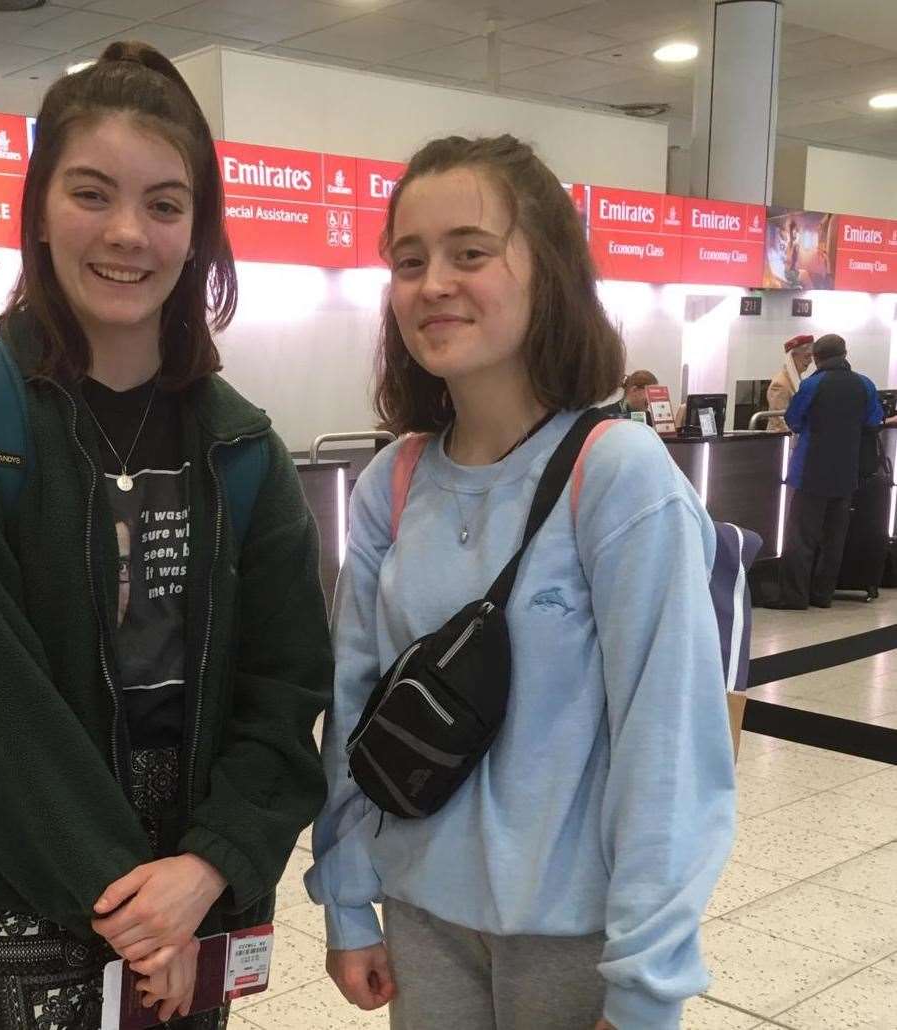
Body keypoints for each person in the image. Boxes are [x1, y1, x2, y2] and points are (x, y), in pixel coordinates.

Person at [0, 41, 332, 1030]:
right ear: (40, 210)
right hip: (26, 880)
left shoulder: (240, 443)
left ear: (197, 233)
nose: (127, 233)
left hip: (197, 878)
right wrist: (133, 903)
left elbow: (287, 685)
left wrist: (208, 866)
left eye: (164, 205)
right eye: (91, 193)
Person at [307, 135, 736, 1030]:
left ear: (546, 271)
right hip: (422, 917)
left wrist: (648, 984)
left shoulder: (616, 475)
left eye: (471, 252)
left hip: (574, 935)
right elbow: (353, 706)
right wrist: (347, 899)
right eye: (409, 260)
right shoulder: (395, 482)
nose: (434, 284)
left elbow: (670, 745)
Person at [769, 333, 884, 610]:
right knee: (834, 538)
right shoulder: (864, 384)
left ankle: (795, 596)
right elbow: (874, 420)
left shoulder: (812, 384)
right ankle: (823, 595)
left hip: (811, 470)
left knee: (801, 536)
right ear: (845, 354)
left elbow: (793, 418)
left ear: (818, 358)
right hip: (847, 471)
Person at [766, 334, 814, 432]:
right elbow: (778, 421)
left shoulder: (797, 380)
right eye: (807, 356)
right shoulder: (780, 384)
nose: (810, 361)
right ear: (793, 356)